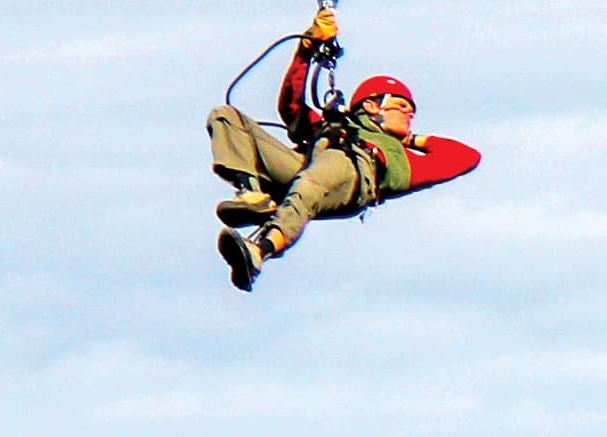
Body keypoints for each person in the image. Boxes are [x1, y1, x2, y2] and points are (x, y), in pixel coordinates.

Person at [204, 15, 478, 291]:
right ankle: (253, 194)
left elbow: (466, 157)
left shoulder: (401, 159)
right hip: (306, 169)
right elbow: (291, 106)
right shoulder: (332, 127)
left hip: (351, 180)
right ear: (372, 106)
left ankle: (260, 249)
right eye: (401, 106)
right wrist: (306, 49)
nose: (410, 114)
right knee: (225, 116)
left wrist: (410, 139)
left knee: (320, 173)